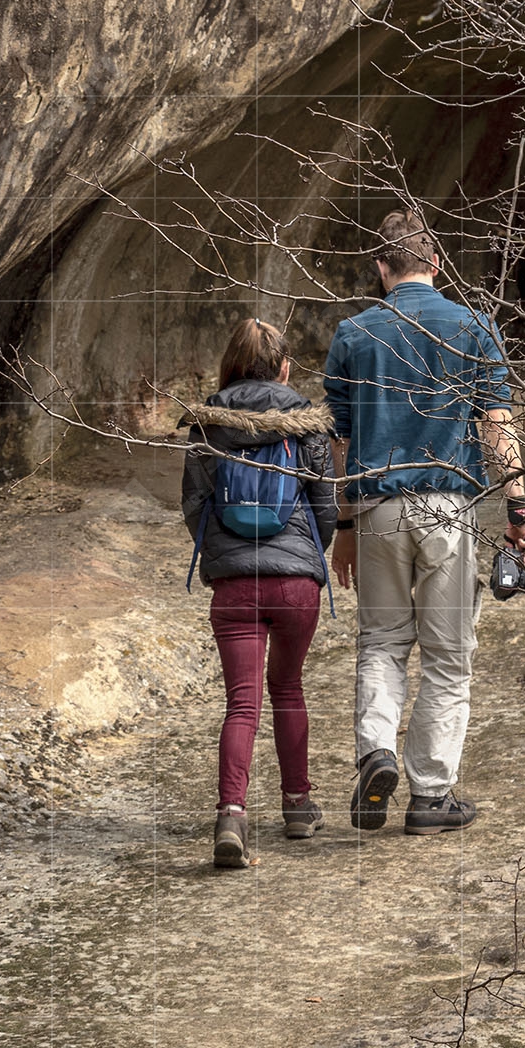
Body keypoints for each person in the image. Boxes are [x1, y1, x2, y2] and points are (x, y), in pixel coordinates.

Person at [324, 208, 525, 836]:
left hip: (378, 510)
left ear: (382, 268)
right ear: (436, 265)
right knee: (447, 656)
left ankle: (376, 754)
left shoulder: (353, 335)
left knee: (383, 643)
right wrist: (518, 510)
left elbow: (338, 442)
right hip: (450, 507)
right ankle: (429, 797)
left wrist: (344, 527)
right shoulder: (472, 327)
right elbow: (496, 427)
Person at [182, 318, 339, 869]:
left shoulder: (209, 424)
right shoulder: (306, 424)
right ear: (285, 368)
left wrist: (225, 553)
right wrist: (306, 558)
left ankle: (232, 815)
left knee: (242, 702)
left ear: (230, 364)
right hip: (296, 584)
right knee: (288, 687)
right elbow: (325, 511)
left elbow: (194, 505)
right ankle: (297, 807)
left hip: (233, 586)